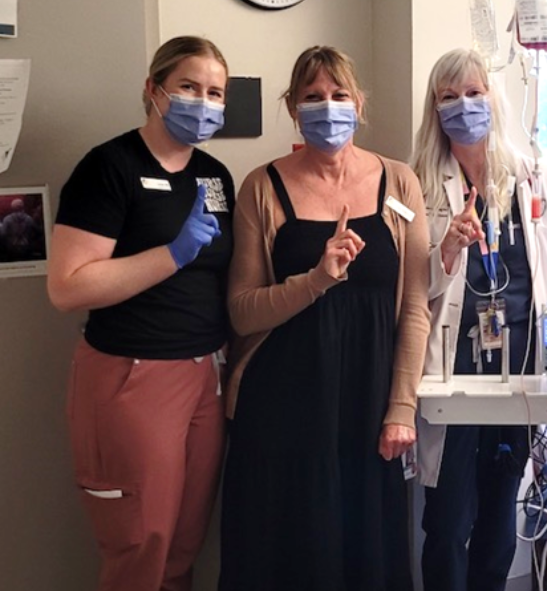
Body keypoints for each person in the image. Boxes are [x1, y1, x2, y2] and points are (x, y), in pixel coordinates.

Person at [219, 46, 429, 591]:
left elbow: (413, 307)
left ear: (360, 105)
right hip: (282, 405)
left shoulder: (400, 183)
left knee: (366, 553)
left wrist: (401, 407)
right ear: (293, 107)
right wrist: (316, 278)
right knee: (289, 554)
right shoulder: (261, 187)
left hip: (368, 401)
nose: (327, 107)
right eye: (313, 97)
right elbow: (241, 312)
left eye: (339, 96)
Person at [47, 36, 233, 591]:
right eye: (188, 87)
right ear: (154, 91)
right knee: (140, 543)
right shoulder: (109, 167)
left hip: (205, 375)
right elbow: (67, 288)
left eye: (215, 92)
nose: (203, 102)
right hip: (132, 375)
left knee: (183, 541)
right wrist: (172, 254)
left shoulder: (215, 176)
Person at [411, 48, 547, 591]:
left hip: (520, 363)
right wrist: (445, 252)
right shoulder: (416, 181)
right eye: (449, 96)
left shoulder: (533, 175)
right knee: (447, 517)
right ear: (433, 108)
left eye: (474, 93)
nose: (464, 106)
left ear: (493, 97)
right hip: (451, 367)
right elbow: (410, 288)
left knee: (500, 506)